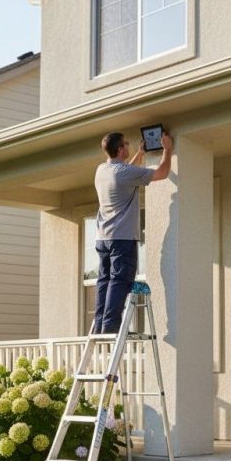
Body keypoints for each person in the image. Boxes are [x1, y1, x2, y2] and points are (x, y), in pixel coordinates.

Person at [92, 130, 173, 334]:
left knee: (104, 280)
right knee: (119, 281)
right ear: (120, 150)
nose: (129, 146)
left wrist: (140, 154)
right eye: (126, 144)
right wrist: (168, 149)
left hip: (103, 238)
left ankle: (101, 324)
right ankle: (111, 326)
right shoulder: (124, 173)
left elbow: (126, 170)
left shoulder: (102, 170)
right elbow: (162, 172)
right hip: (122, 238)